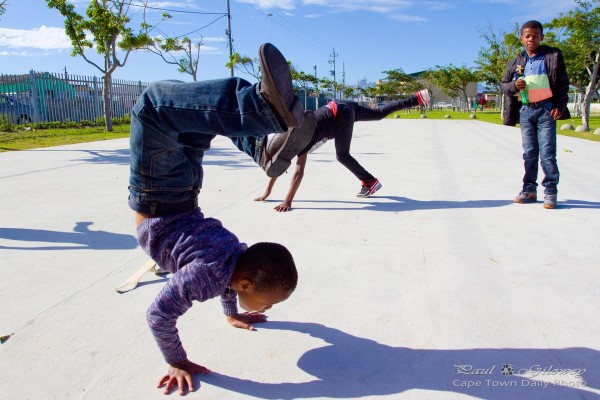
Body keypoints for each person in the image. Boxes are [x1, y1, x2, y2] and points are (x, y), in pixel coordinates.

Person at [128, 43, 315, 395]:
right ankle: (262, 122)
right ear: (245, 284)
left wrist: (231, 313)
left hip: (180, 193)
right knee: (152, 105)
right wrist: (177, 360)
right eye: (268, 302)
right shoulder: (214, 276)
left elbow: (217, 285)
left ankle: (262, 142)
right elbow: (163, 313)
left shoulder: (235, 251)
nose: (268, 308)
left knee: (200, 115)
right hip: (159, 197)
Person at [231, 89, 430, 212]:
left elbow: (298, 172)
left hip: (340, 114)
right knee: (377, 114)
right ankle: (417, 98)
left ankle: (370, 181)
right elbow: (277, 165)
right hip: (340, 106)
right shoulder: (290, 139)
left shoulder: (299, 143)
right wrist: (267, 192)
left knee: (342, 155)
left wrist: (287, 201)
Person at [501, 20, 570, 209]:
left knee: (547, 153)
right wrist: (515, 86)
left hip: (546, 110)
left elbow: (563, 84)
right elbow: (504, 85)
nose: (531, 39)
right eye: (528, 36)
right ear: (521, 38)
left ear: (542, 37)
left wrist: (560, 105)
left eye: (535, 35)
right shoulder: (515, 62)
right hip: (526, 111)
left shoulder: (552, 56)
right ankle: (529, 189)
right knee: (529, 153)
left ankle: (550, 191)